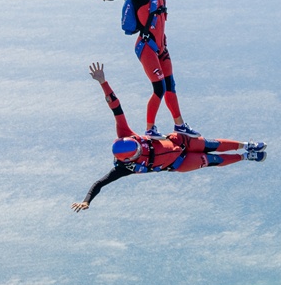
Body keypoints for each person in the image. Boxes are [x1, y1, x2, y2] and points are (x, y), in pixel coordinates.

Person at [72, 62, 266, 212]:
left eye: (137, 145)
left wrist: (103, 82)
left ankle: (246, 145)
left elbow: (115, 107)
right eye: (137, 151)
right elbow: (99, 183)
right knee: (213, 159)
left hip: (176, 141)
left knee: (210, 143)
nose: (139, 146)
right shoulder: (123, 168)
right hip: (179, 163)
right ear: (130, 158)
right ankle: (245, 156)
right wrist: (86, 201)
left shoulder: (124, 135)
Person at [97, 0, 194, 138]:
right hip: (147, 47)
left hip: (161, 48)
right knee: (159, 89)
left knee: (170, 85)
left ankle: (179, 125)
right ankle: (150, 129)